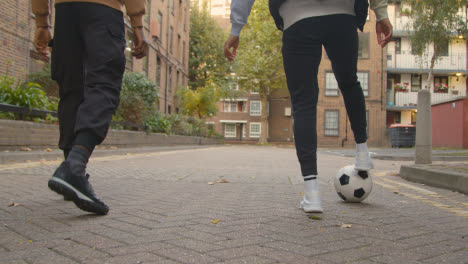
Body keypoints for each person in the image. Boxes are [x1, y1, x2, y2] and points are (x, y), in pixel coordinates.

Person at [225, 0, 393, 213]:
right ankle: (362, 152)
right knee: (349, 82)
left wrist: (236, 28)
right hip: (342, 14)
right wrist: (381, 13)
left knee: (303, 102)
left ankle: (312, 194)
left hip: (297, 17)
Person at [32, 0, 148, 215]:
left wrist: (42, 22)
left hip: (65, 12)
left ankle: (69, 173)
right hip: (103, 11)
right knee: (104, 85)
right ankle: (74, 167)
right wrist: (137, 23)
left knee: (71, 91)